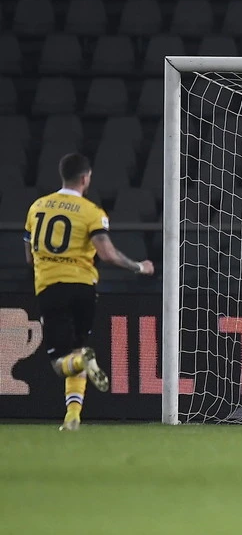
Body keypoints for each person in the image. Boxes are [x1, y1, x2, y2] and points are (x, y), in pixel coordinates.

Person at [25, 153, 155, 431]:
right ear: (85, 178)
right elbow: (107, 254)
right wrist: (139, 267)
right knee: (77, 349)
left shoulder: (37, 207)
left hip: (50, 287)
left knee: (61, 363)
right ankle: (72, 418)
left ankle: (81, 365)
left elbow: (29, 256)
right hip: (84, 289)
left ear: (63, 175)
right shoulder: (91, 212)